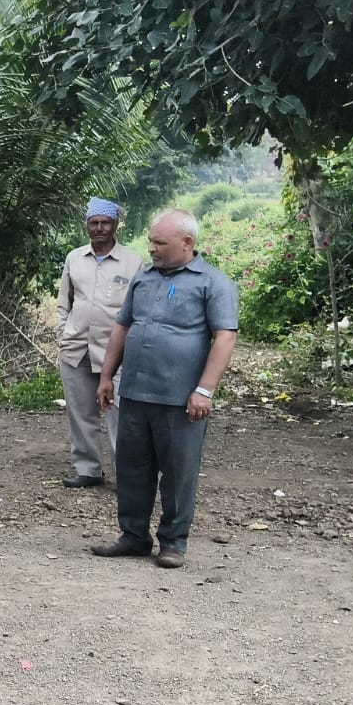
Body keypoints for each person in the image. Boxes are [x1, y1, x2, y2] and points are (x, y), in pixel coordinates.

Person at [92, 209, 239, 569]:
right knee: (131, 468)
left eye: (160, 243)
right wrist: (107, 376)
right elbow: (122, 327)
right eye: (151, 242)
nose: (152, 249)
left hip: (180, 399)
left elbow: (225, 337)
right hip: (136, 393)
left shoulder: (213, 283)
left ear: (188, 243)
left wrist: (204, 390)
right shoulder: (144, 279)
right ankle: (133, 536)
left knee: (178, 473)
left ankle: (173, 542)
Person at [56, 198, 141, 488]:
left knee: (120, 417)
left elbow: (139, 309)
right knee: (81, 413)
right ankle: (88, 470)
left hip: (117, 353)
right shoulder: (74, 258)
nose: (100, 229)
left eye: (105, 223)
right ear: (87, 226)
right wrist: (62, 334)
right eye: (94, 223)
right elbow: (63, 303)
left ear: (115, 225)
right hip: (76, 348)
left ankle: (126, 477)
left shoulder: (133, 262)